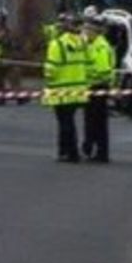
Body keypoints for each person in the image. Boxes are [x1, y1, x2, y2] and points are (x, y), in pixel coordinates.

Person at [42, 14, 90, 163]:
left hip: (60, 89)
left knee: (64, 121)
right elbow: (87, 64)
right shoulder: (83, 43)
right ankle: (67, 151)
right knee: (69, 120)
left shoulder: (57, 44)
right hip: (79, 89)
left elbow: (51, 70)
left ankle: (69, 152)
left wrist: (47, 78)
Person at [82, 13, 116, 163]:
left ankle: (101, 153)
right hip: (93, 87)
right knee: (93, 121)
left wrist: (89, 76)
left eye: (88, 30)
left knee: (97, 122)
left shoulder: (100, 46)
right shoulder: (93, 45)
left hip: (98, 87)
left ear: (95, 31)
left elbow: (102, 70)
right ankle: (94, 149)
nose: (85, 32)